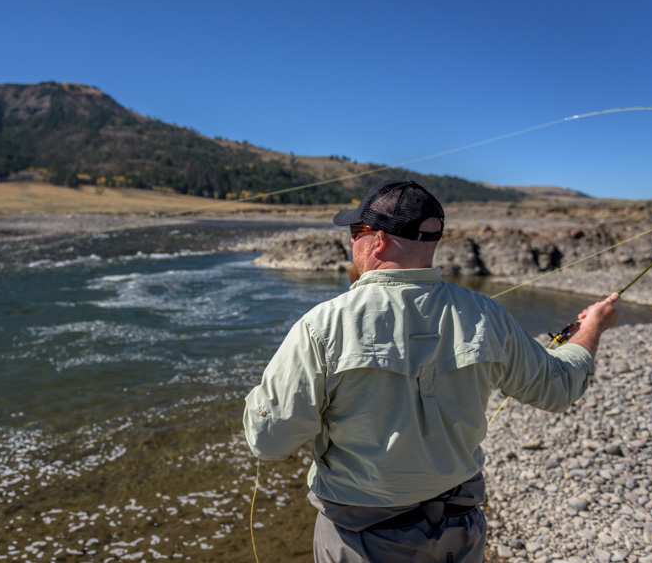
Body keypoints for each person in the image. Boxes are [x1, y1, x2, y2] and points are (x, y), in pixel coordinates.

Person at [243, 179, 620, 562]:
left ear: (378, 241)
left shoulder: (321, 326)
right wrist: (592, 328)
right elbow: (558, 388)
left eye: (355, 232)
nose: (350, 241)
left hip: (362, 541)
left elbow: (269, 442)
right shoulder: (487, 314)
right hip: (460, 532)